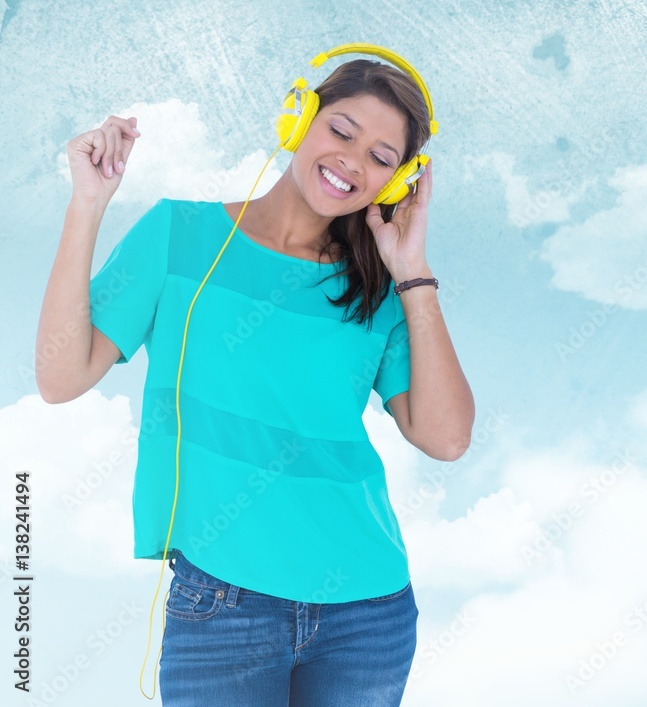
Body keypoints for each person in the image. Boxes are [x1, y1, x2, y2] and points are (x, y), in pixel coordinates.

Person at [35, 55, 475, 706]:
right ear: (299, 118)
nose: (354, 161)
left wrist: (413, 271)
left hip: (367, 614)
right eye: (343, 130)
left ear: (398, 180)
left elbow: (445, 438)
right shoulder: (179, 237)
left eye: (383, 156)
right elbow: (61, 375)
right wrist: (88, 203)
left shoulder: (379, 289)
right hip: (222, 606)